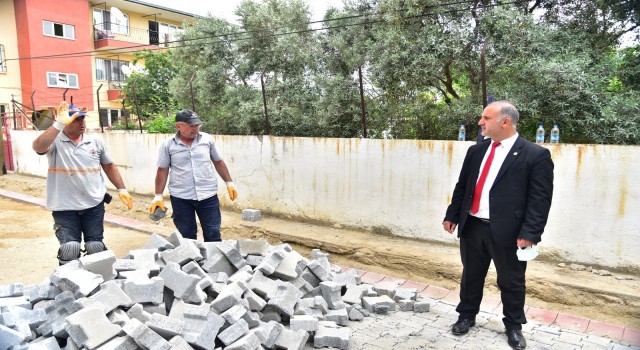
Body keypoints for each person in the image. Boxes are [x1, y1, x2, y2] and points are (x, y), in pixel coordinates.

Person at [442, 101, 554, 350]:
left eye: (486, 118)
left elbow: (540, 200)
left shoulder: (535, 155)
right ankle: (466, 316)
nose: (480, 122)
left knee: (511, 281)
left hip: (509, 232)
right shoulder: (476, 151)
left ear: (504, 122)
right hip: (472, 226)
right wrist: (453, 215)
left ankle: (513, 326)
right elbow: (463, 186)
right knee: (471, 275)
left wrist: (530, 233)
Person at [32, 102, 133, 265]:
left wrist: (122, 189)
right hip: (64, 206)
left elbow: (109, 166)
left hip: (93, 204)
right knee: (70, 248)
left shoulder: (95, 141)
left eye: (83, 119)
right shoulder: (56, 141)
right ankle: (69, 284)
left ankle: (99, 284)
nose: (82, 123)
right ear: (66, 122)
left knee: (95, 247)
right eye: (77, 120)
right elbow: (38, 147)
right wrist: (58, 124)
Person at [150, 109, 237, 242]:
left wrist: (229, 183)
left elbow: (218, 161)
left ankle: (214, 261)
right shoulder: (168, 144)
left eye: (197, 125)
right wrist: (158, 196)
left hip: (208, 195)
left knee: (213, 233)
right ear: (178, 126)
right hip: (181, 197)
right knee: (187, 235)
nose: (196, 128)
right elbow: (162, 170)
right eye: (191, 125)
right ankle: (192, 261)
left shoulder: (207, 139)